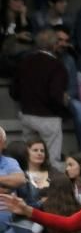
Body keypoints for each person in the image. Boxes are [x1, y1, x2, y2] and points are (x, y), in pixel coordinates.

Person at [12, 28, 68, 169]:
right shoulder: (57, 65)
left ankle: (29, 187)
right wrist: (62, 112)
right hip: (48, 118)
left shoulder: (24, 62)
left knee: (29, 157)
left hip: (27, 115)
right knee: (52, 159)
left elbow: (13, 91)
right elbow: (55, 96)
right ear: (54, 45)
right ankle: (52, 187)